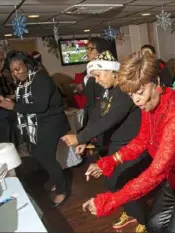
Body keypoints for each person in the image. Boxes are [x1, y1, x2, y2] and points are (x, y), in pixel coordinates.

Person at [82, 52, 175, 233]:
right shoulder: (150, 104)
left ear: (157, 83)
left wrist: (109, 201)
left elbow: (156, 171)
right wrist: (110, 161)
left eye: (140, 92)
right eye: (131, 95)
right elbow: (143, 140)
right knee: (154, 225)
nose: (136, 100)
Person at [61, 50, 151, 232]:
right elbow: (96, 116)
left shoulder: (125, 91)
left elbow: (110, 119)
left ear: (112, 72)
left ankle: (145, 221)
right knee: (112, 184)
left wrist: (79, 137)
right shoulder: (108, 92)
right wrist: (85, 140)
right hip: (116, 146)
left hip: (132, 147)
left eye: (98, 75)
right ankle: (131, 212)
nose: (97, 80)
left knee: (122, 184)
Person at [0, 51, 70, 206]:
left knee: (47, 157)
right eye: (13, 70)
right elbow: (25, 98)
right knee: (38, 154)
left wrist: (14, 106)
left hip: (50, 122)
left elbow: (40, 106)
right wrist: (6, 100)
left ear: (27, 65)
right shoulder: (25, 81)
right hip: (37, 124)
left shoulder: (41, 78)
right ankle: (55, 179)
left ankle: (62, 190)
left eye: (18, 69)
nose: (16, 73)